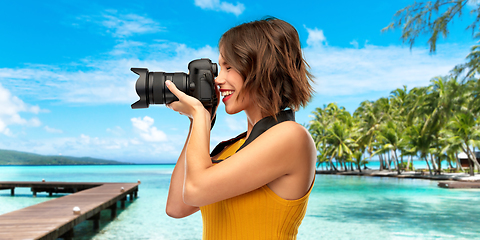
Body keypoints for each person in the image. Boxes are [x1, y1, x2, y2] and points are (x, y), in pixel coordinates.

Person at [165, 17, 316, 240]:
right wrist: (198, 120)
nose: (218, 79)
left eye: (229, 67)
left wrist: (199, 116)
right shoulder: (234, 149)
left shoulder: (291, 137)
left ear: (263, 68)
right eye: (219, 68)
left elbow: (195, 190)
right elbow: (178, 206)